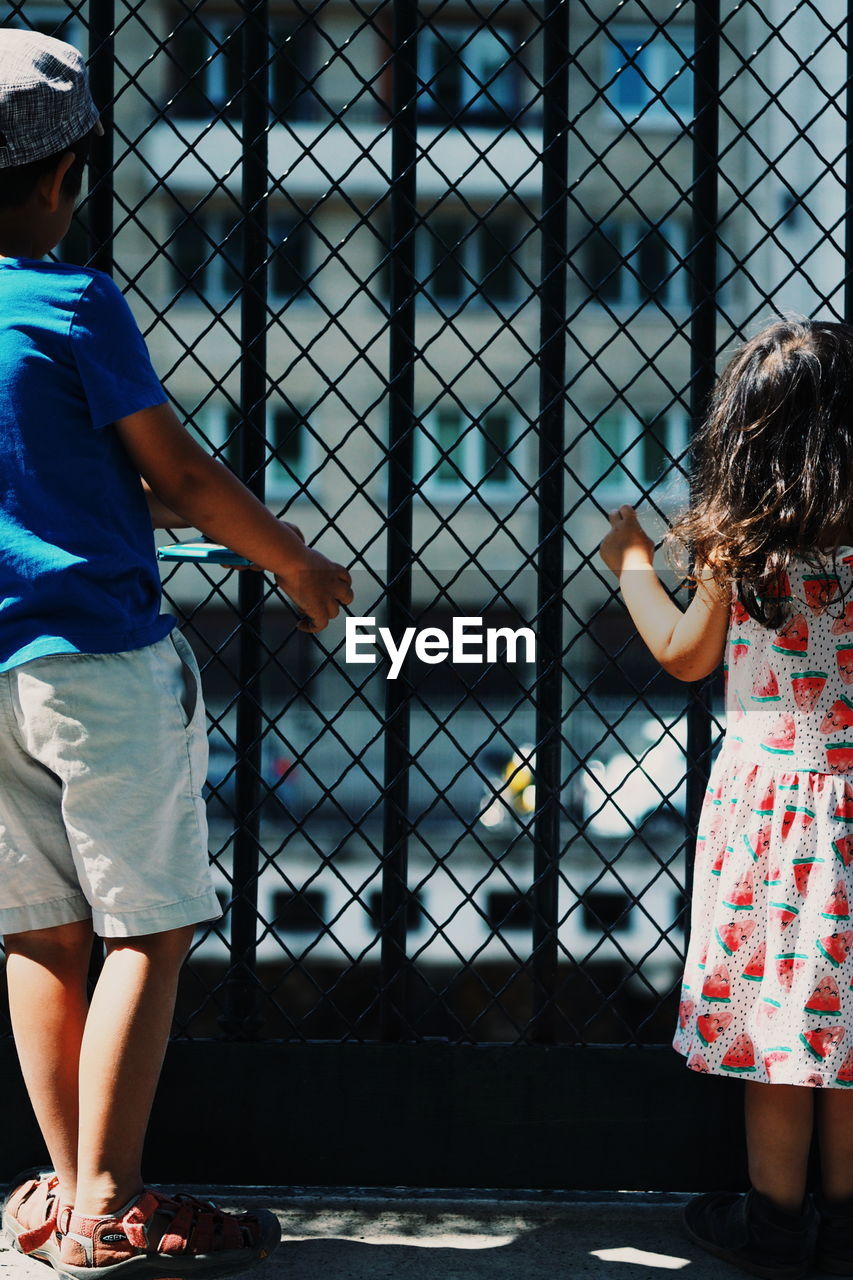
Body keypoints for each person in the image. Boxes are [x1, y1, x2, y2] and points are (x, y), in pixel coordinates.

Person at [0, 27, 353, 1278]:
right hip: (97, 659)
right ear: (63, 176)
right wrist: (298, 563)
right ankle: (110, 1197)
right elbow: (183, 474)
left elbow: (51, 477)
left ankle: (61, 1189)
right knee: (147, 922)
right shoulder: (73, 299)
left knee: (38, 931)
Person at [599, 318, 853, 1280]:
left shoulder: (739, 546)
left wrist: (629, 560)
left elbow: (682, 655)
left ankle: (774, 1223)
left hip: (772, 811)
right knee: (845, 1027)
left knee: (781, 1034)